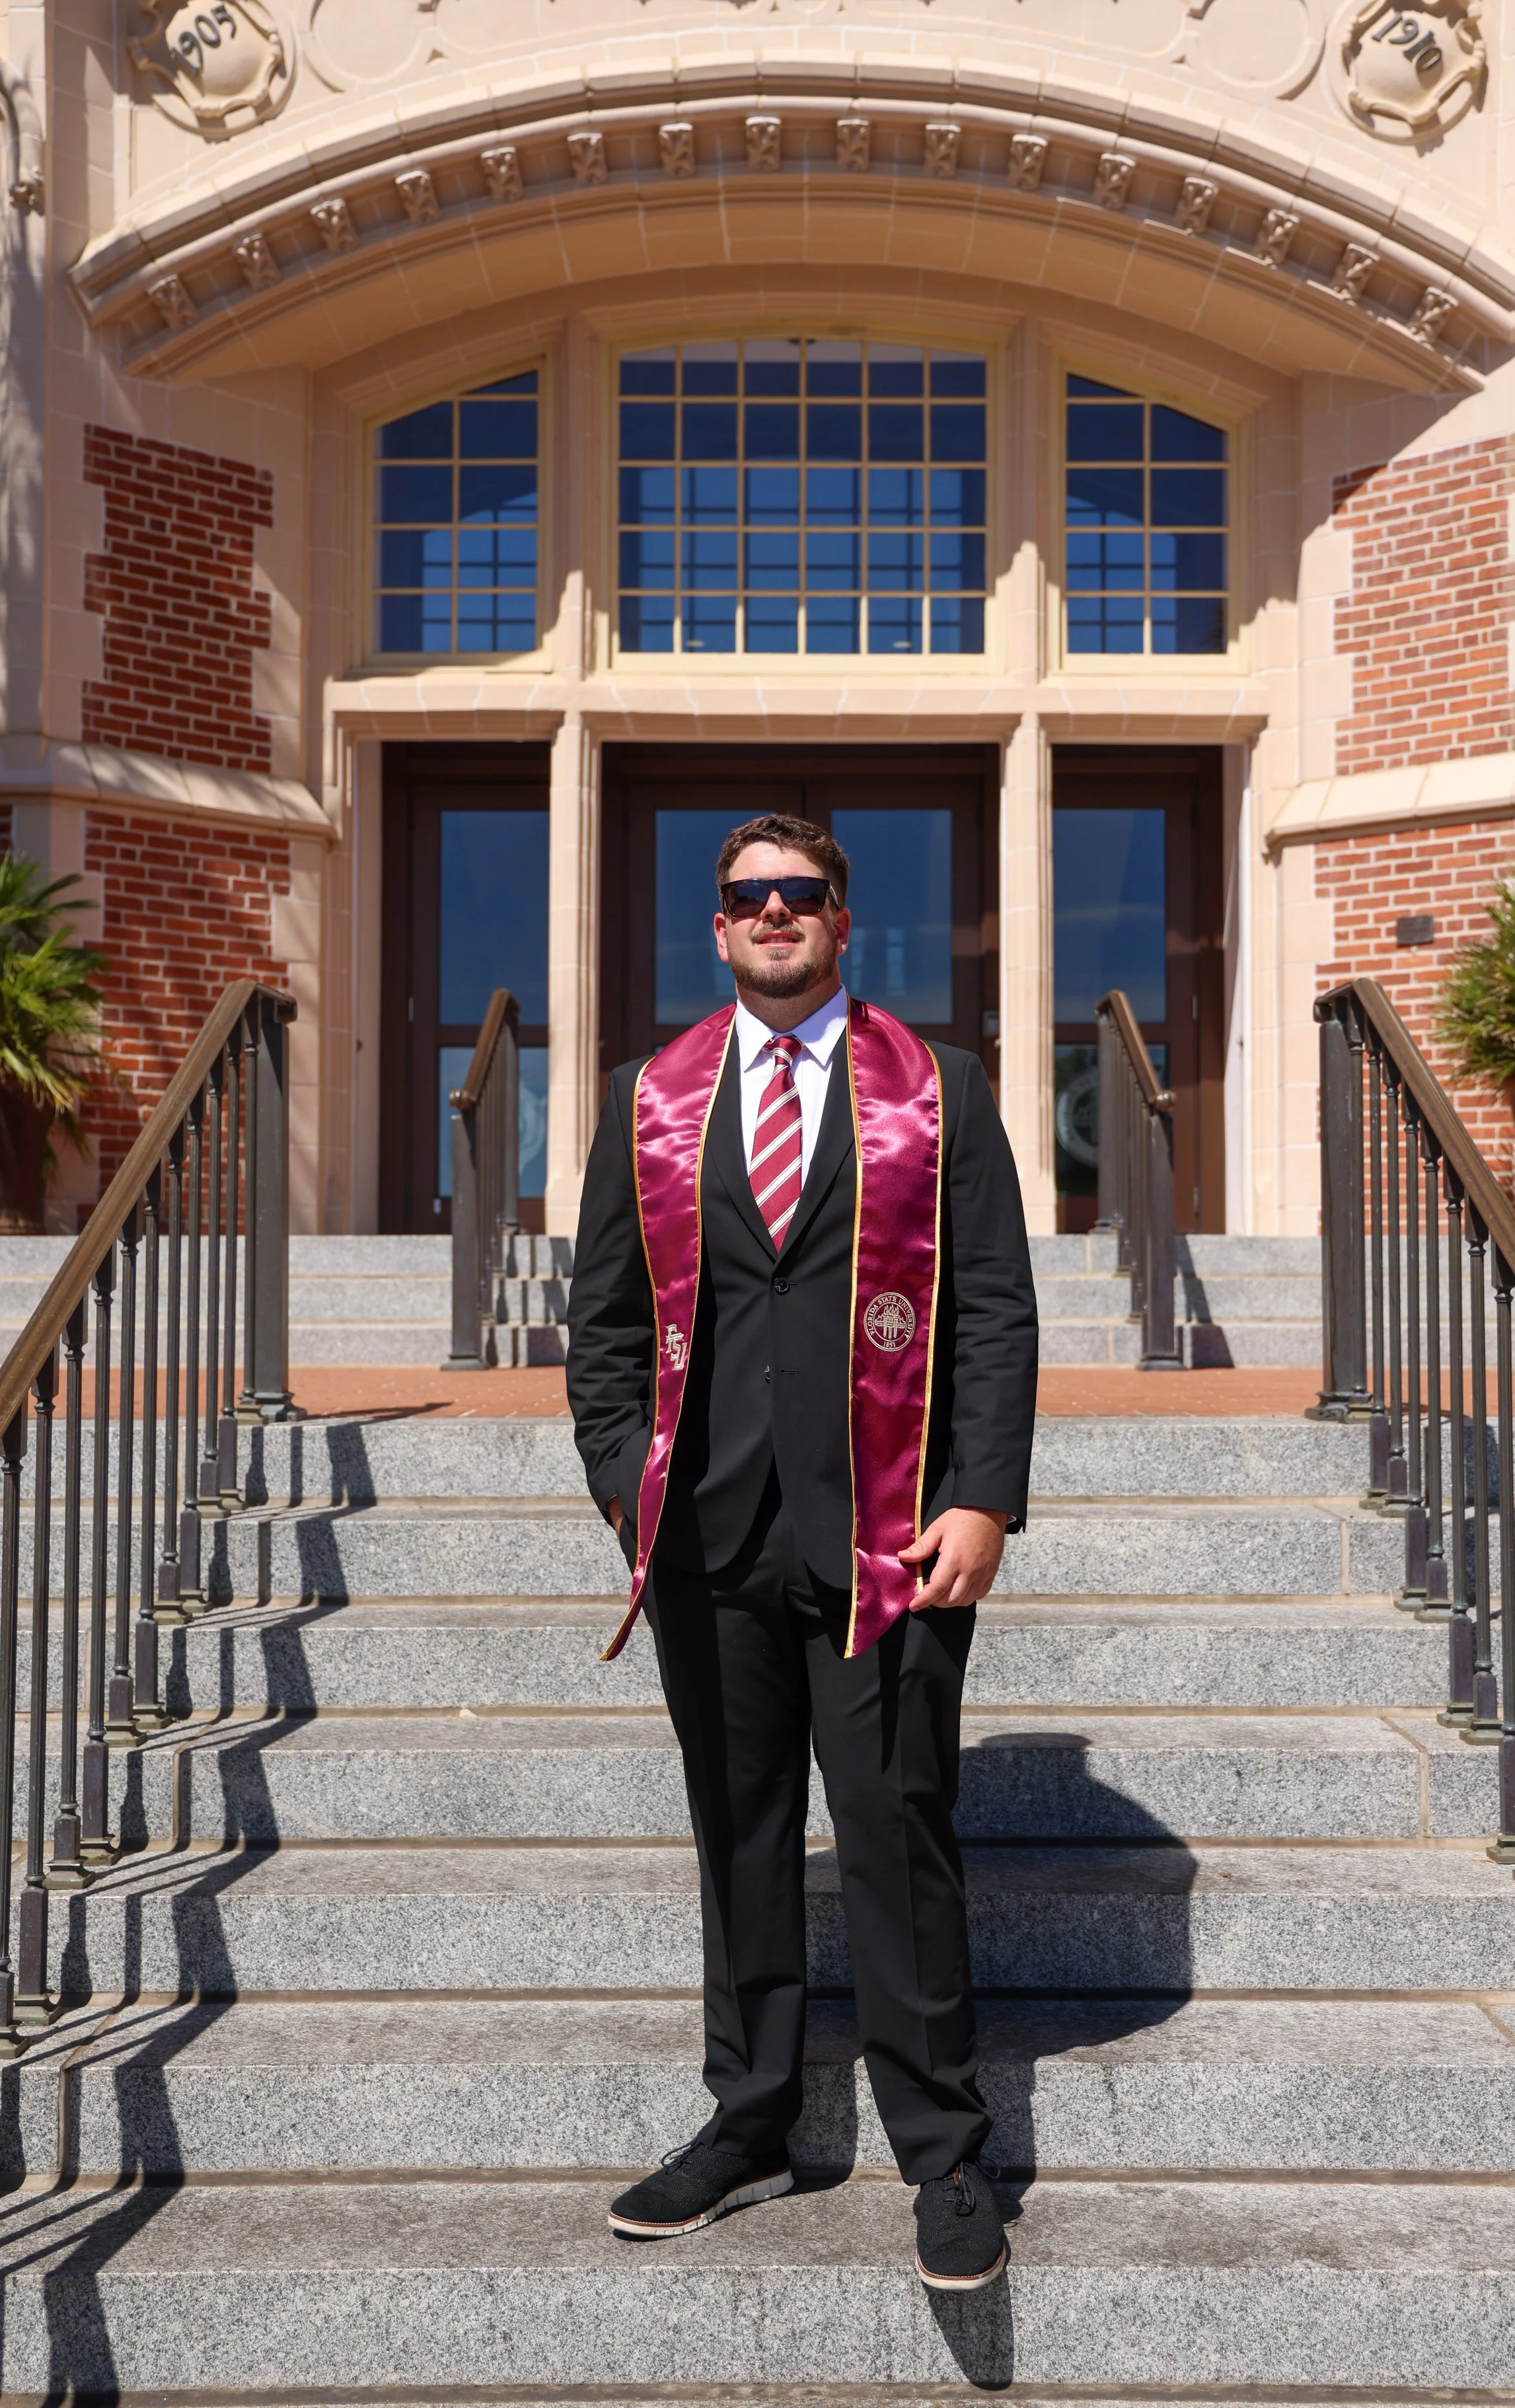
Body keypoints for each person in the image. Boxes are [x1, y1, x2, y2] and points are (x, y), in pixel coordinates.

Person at [566, 813, 1038, 2291]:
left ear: (842, 915)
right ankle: (751, 2112)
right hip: (706, 1538)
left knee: (895, 1832)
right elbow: (602, 1330)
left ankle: (944, 2147)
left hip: (886, 1534)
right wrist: (627, 1487)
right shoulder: (650, 1097)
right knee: (740, 1831)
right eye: (744, 896)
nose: (771, 912)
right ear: (714, 927)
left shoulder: (941, 1094)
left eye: (798, 892)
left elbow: (991, 1314)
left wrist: (981, 1494)